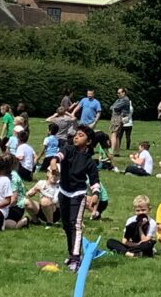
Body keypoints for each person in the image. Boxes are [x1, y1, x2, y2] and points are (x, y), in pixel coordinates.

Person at [52, 125, 101, 272]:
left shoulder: (89, 161)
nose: (76, 137)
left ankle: (76, 258)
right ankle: (70, 253)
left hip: (78, 194)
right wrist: (54, 161)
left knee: (76, 225)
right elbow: (59, 155)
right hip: (64, 192)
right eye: (76, 134)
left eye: (81, 135)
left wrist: (95, 195)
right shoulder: (68, 149)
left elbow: (95, 181)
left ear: (89, 142)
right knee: (66, 225)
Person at [108, 87, 131, 154]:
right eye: (117, 93)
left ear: (123, 93)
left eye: (119, 93)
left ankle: (111, 151)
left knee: (114, 133)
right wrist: (113, 107)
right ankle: (116, 151)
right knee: (117, 135)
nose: (118, 94)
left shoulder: (125, 100)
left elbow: (115, 107)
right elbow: (111, 107)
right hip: (116, 117)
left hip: (118, 117)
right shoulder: (119, 100)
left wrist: (114, 107)